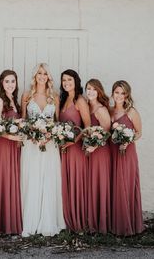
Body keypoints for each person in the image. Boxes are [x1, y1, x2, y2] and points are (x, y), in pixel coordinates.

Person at [21, 63, 65, 237]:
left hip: (49, 144)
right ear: (35, 76)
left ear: (48, 77)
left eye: (45, 73)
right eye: (39, 73)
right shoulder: (26, 96)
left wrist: (49, 135)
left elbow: (57, 122)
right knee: (32, 178)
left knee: (48, 179)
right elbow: (23, 121)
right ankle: (30, 220)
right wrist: (32, 134)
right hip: (31, 145)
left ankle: (48, 220)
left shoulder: (54, 96)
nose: (42, 76)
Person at [110, 80, 144, 236]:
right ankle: (113, 223)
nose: (119, 95)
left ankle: (128, 224)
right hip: (111, 152)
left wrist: (128, 141)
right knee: (113, 185)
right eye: (116, 92)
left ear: (127, 95)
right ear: (113, 93)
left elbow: (138, 132)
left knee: (125, 185)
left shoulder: (131, 112)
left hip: (126, 153)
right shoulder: (110, 111)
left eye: (122, 93)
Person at [0, 70, 23, 235]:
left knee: (12, 180)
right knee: (4, 180)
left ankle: (11, 221)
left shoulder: (14, 100)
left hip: (13, 146)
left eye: (13, 81)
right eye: (7, 81)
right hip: (4, 147)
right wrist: (12, 137)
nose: (10, 84)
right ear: (1, 83)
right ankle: (1, 224)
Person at [59, 69, 90, 232]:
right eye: (64, 80)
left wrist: (73, 142)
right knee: (66, 183)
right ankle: (67, 219)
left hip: (76, 149)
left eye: (69, 79)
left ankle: (78, 220)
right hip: (63, 149)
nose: (66, 83)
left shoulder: (80, 100)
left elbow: (87, 126)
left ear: (76, 81)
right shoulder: (64, 99)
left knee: (76, 183)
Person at [85, 78, 111, 234]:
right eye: (88, 88)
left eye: (94, 89)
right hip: (89, 151)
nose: (91, 92)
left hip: (100, 152)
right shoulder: (87, 106)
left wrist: (95, 145)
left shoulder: (101, 109)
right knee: (91, 185)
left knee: (99, 184)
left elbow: (107, 132)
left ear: (99, 91)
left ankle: (101, 224)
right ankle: (91, 221)